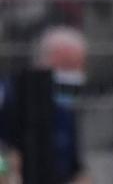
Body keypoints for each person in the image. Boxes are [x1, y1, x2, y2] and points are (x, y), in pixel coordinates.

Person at [0, 26, 91, 183]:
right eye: (66, 64)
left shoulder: (65, 111)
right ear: (43, 60)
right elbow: (4, 160)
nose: (74, 73)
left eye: (79, 66)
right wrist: (5, 166)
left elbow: (74, 167)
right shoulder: (9, 97)